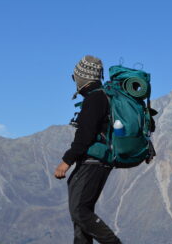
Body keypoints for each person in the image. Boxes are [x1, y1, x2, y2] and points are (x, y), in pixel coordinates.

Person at [55, 55, 122, 244]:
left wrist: (66, 161)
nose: (74, 81)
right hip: (101, 162)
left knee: (79, 211)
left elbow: (85, 134)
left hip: (93, 162)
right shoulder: (105, 97)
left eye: (75, 77)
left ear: (83, 78)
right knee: (82, 213)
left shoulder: (95, 99)